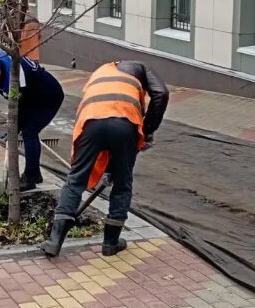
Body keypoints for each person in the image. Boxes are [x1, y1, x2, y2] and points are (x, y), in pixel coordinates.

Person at [41, 61, 169, 257]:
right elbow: (161, 93)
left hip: (90, 122)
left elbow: (104, 123)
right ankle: (110, 243)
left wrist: (108, 167)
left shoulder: (101, 72)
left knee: (76, 180)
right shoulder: (142, 69)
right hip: (125, 124)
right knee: (122, 183)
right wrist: (148, 130)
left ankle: (54, 241)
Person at [0, 50, 63, 190]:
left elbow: (21, 107)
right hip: (33, 96)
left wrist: (14, 129)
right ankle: (35, 174)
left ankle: (30, 178)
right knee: (27, 130)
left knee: (29, 132)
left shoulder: (16, 78)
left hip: (49, 97)